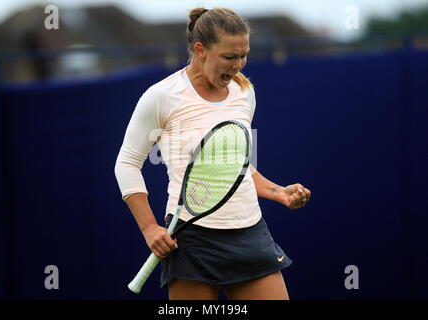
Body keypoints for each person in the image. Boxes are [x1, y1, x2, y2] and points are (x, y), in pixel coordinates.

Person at [115, 7, 311, 300]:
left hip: (249, 232)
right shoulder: (161, 96)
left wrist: (277, 192)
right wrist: (149, 228)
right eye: (230, 57)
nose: (239, 65)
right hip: (192, 240)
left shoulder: (245, 93)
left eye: (243, 55)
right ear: (200, 50)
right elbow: (127, 163)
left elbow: (236, 168)